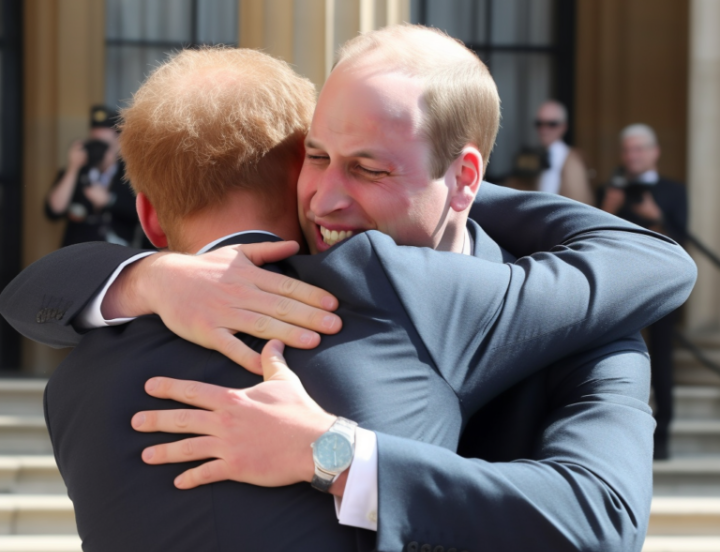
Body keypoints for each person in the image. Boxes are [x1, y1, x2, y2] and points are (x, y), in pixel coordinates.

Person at [0, 30, 695, 551]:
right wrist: (147, 275)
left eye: (367, 167)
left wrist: (333, 453)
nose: (327, 197)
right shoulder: (341, 286)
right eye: (319, 157)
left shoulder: (77, 379)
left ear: (464, 178)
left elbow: (601, 518)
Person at [599, 123, 689, 460]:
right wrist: (608, 205)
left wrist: (657, 216)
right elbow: (593, 238)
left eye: (639, 149)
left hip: (662, 288)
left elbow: (683, 243)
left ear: (654, 152)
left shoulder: (674, 191)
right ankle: (617, 437)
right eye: (628, 150)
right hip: (620, 289)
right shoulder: (611, 189)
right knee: (616, 361)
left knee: (662, 363)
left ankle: (662, 436)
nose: (632, 156)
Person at [45, 105, 139, 247]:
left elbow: (139, 213)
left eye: (104, 145)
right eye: (94, 144)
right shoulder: (77, 171)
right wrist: (73, 168)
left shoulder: (130, 174)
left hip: (116, 254)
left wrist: (110, 200)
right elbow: (54, 210)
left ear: (119, 142)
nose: (99, 151)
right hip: (77, 253)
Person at [534, 100, 593, 204]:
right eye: (539, 124)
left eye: (552, 124)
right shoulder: (533, 157)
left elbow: (581, 201)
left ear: (564, 126)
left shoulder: (574, 160)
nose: (544, 130)